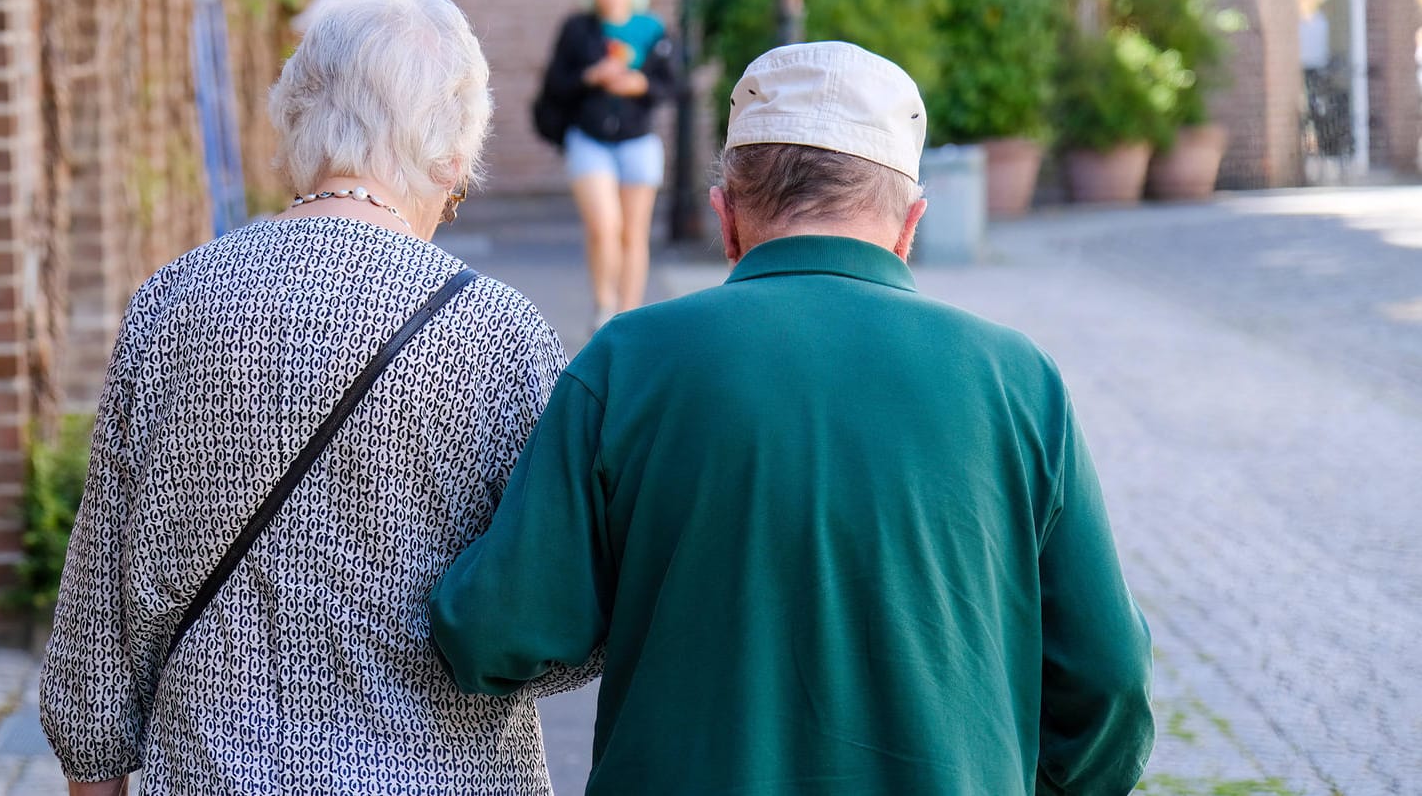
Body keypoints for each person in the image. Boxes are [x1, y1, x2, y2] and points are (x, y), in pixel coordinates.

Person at [431, 42, 1155, 795]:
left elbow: (496, 632)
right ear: (910, 223)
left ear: (726, 216)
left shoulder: (628, 361)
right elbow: (1108, 682)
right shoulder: (1017, 380)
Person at [40, 0, 595, 796]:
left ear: (296, 115)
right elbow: (553, 619)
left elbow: (98, 612)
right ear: (451, 152)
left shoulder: (172, 303)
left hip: (209, 773)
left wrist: (94, 772)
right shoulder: (500, 337)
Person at [540, 0, 677, 331]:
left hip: (637, 140)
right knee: (604, 226)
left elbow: (672, 83)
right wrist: (591, 77)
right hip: (590, 138)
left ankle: (628, 314)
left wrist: (640, 83)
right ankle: (604, 305)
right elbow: (554, 83)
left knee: (634, 233)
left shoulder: (652, 30)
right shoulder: (578, 30)